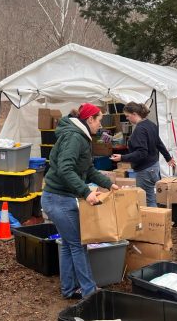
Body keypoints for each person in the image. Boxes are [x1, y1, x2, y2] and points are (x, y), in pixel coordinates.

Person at [41, 103, 119, 300]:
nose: (100, 125)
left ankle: (69, 289)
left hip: (62, 197)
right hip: (57, 199)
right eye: (99, 120)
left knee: (69, 244)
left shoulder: (81, 136)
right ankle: (89, 291)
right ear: (90, 119)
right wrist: (86, 192)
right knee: (78, 244)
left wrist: (109, 185)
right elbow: (65, 168)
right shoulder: (75, 137)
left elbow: (89, 169)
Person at [110, 102, 176, 207]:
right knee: (152, 197)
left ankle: (154, 221)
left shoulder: (140, 129)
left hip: (145, 170)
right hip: (154, 166)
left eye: (127, 116)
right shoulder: (151, 124)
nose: (127, 118)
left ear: (135, 114)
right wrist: (168, 158)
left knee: (148, 200)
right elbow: (159, 143)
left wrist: (122, 157)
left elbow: (142, 152)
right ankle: (158, 220)